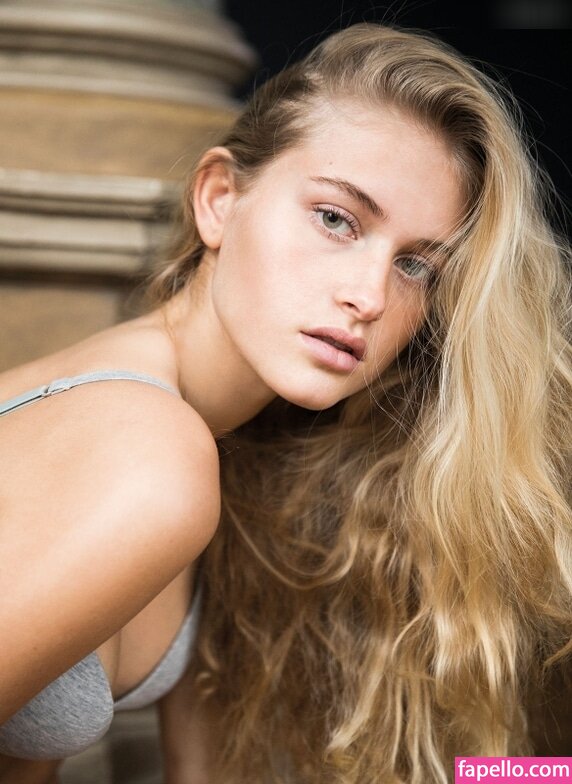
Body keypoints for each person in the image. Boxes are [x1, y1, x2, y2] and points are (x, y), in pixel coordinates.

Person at [0, 21, 570, 784]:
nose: (369, 296)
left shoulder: (219, 452)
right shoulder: (149, 450)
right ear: (219, 200)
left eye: (416, 267)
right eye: (335, 219)